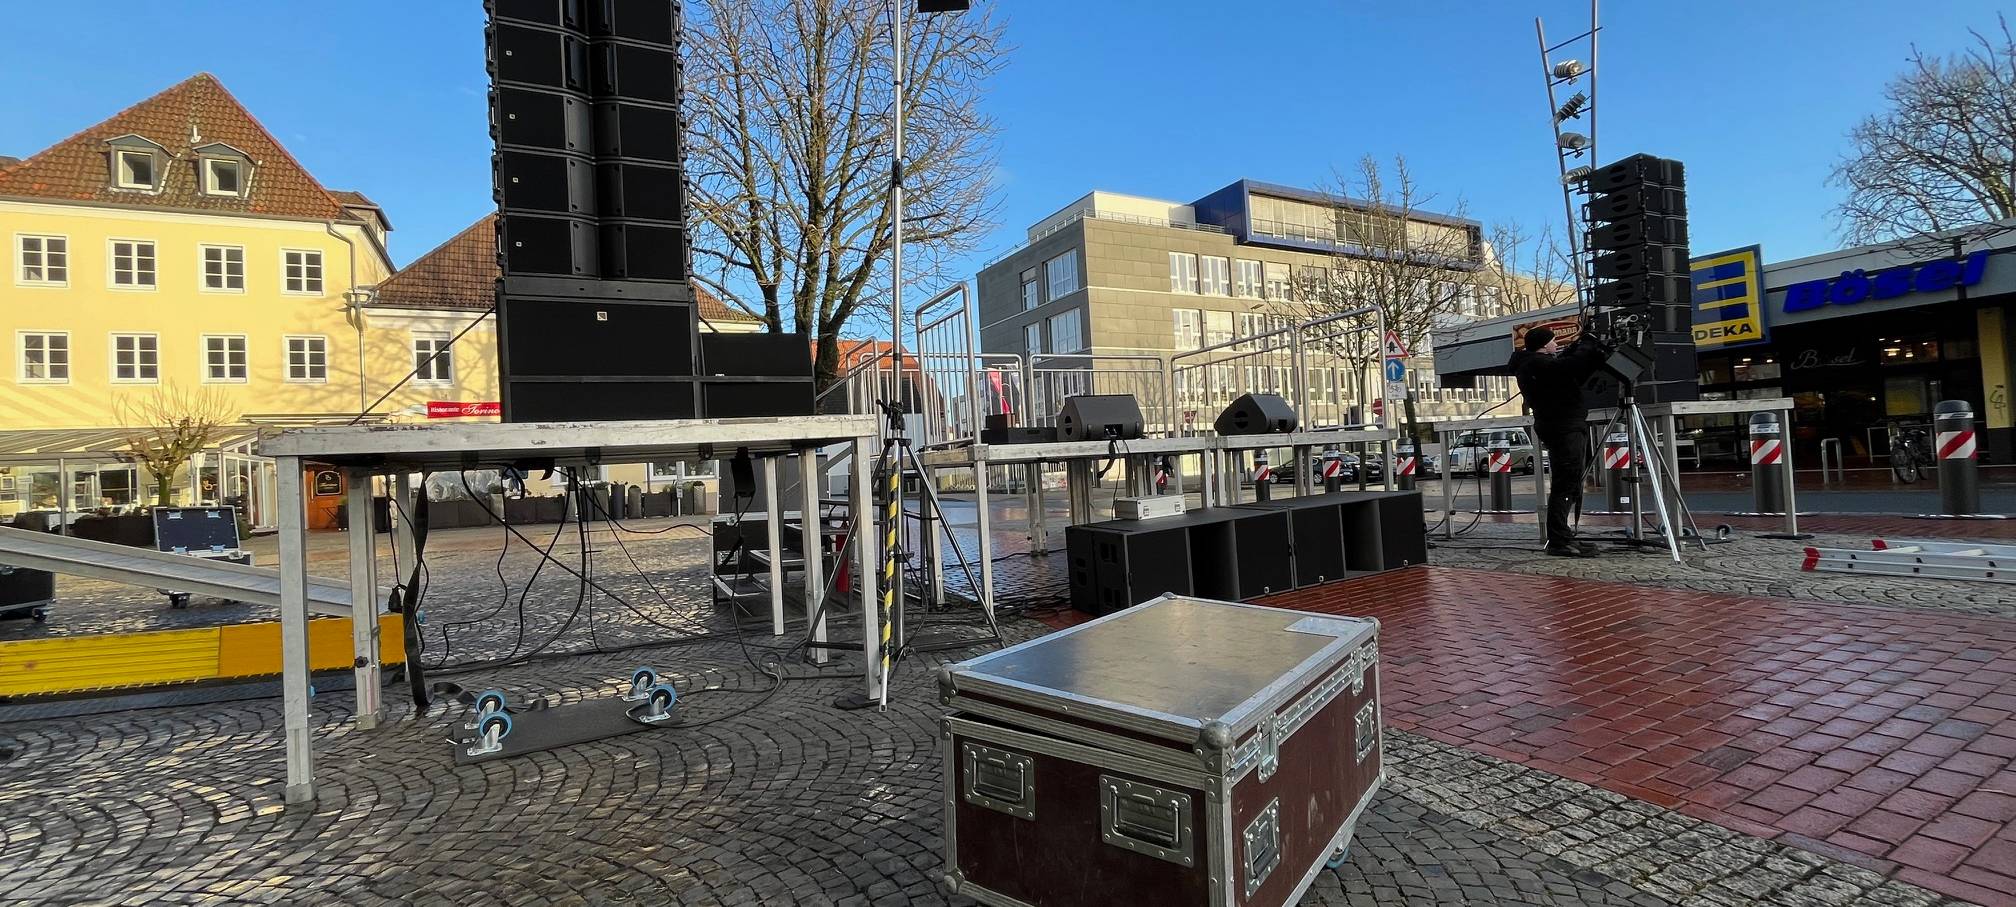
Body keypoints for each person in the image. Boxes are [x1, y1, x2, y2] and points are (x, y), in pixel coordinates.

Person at [1509, 324, 1608, 557]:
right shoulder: (1536, 364)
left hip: (1562, 425)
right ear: (1544, 345)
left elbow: (1571, 372)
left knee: (1569, 481)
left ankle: (1563, 535)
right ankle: (1559, 540)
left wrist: (1584, 350)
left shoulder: (1535, 364)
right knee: (1566, 483)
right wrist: (1586, 345)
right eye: (1554, 341)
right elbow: (1570, 366)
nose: (1557, 345)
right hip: (1563, 426)